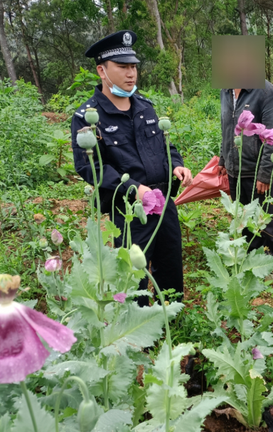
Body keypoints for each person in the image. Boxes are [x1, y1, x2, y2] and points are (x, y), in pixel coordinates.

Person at [71, 30, 193, 306]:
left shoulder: (145, 107)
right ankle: (135, 328)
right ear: (102, 70)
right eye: (123, 67)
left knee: (171, 262)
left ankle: (171, 319)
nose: (131, 74)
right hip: (128, 209)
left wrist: (177, 166)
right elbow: (90, 167)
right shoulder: (88, 118)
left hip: (162, 202)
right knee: (132, 274)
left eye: (134, 66)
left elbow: (166, 146)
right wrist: (133, 189)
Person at [218, 81, 273, 257]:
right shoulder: (226, 90)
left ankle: (272, 269)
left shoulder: (266, 91)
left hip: (256, 173)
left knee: (265, 223)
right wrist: (223, 159)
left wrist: (266, 173)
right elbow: (226, 128)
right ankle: (248, 263)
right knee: (242, 220)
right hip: (234, 172)